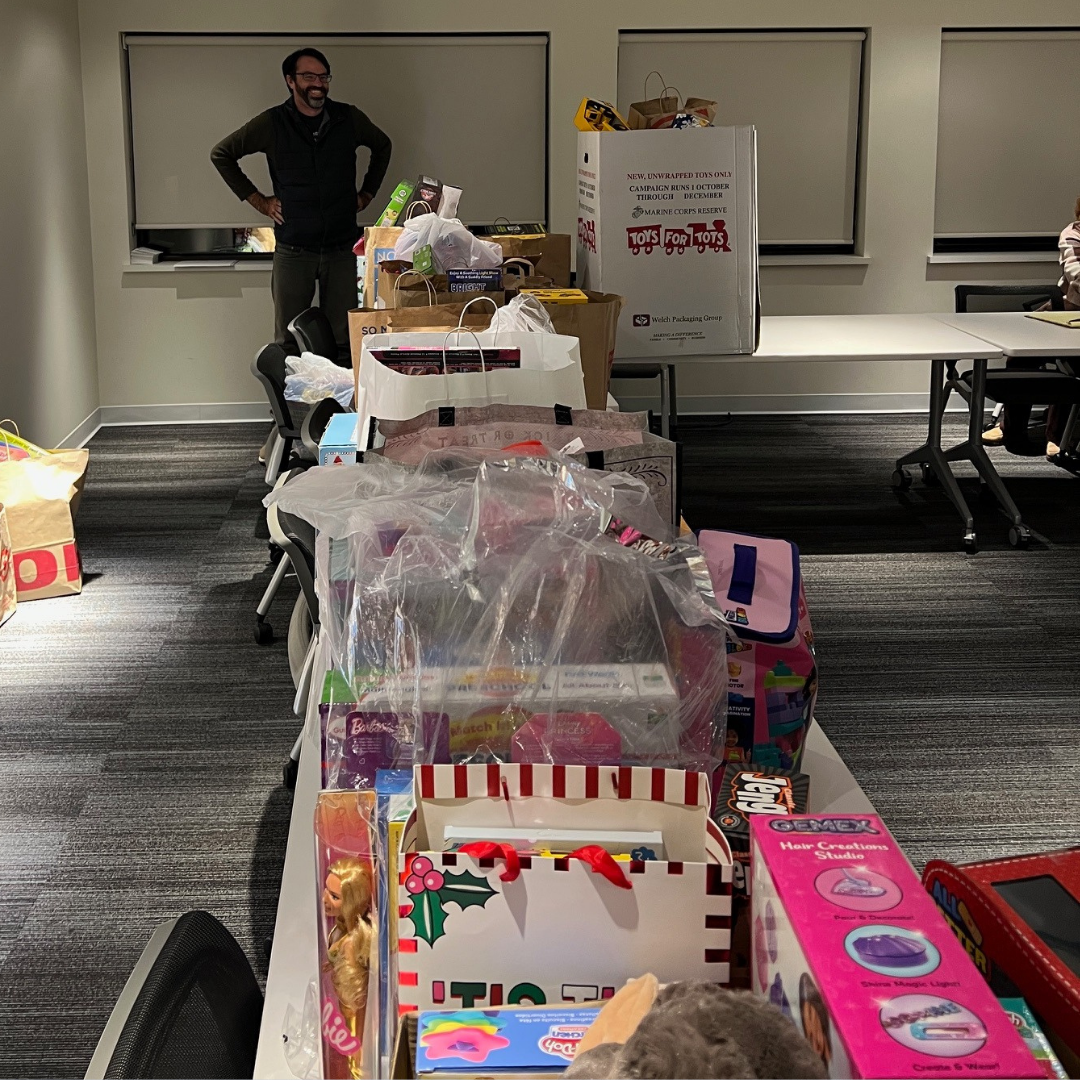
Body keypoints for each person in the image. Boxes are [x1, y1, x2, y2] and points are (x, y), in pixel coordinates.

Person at [211, 48, 391, 357]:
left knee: (344, 340)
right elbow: (222, 154)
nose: (317, 83)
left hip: (341, 249)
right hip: (293, 251)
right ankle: (291, 403)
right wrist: (259, 201)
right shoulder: (272, 123)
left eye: (323, 76)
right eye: (308, 76)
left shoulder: (348, 118)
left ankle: (338, 403)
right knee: (289, 341)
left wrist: (368, 193)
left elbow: (383, 145)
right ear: (290, 81)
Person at [983, 196, 1080, 457]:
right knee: (1022, 356)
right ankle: (1012, 428)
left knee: (1073, 366)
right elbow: (1077, 276)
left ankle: (1058, 435)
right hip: (1067, 313)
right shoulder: (1072, 233)